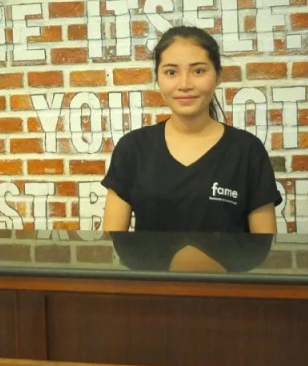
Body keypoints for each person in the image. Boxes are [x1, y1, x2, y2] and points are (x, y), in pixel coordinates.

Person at [101, 25, 282, 233]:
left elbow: (265, 247)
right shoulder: (134, 148)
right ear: (158, 78)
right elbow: (111, 243)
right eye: (171, 72)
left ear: (218, 76)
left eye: (198, 71)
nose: (184, 84)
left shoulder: (247, 150)